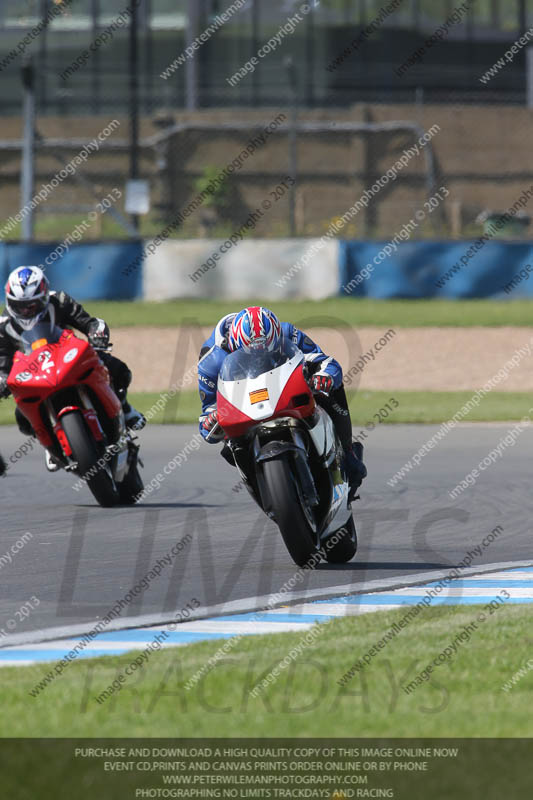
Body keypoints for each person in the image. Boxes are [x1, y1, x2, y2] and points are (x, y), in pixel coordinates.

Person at [197, 306, 367, 499]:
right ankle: (264, 487)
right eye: (250, 354)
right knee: (229, 448)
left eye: (267, 350)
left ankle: (347, 452)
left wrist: (324, 377)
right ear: (233, 345)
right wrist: (211, 420)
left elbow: (325, 361)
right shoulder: (211, 361)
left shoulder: (287, 333)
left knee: (326, 391)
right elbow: (208, 412)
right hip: (242, 399)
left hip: (282, 386)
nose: (258, 358)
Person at [0, 266, 145, 472]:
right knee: (22, 417)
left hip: (68, 356)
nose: (25, 311)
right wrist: (3, 379)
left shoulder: (59, 301)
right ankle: (49, 442)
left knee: (116, 368)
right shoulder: (4, 325)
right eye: (19, 306)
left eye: (32, 305)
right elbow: (3, 360)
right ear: (9, 301)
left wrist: (97, 336)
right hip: (35, 372)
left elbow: (89, 323)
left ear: (44, 297)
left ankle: (126, 409)